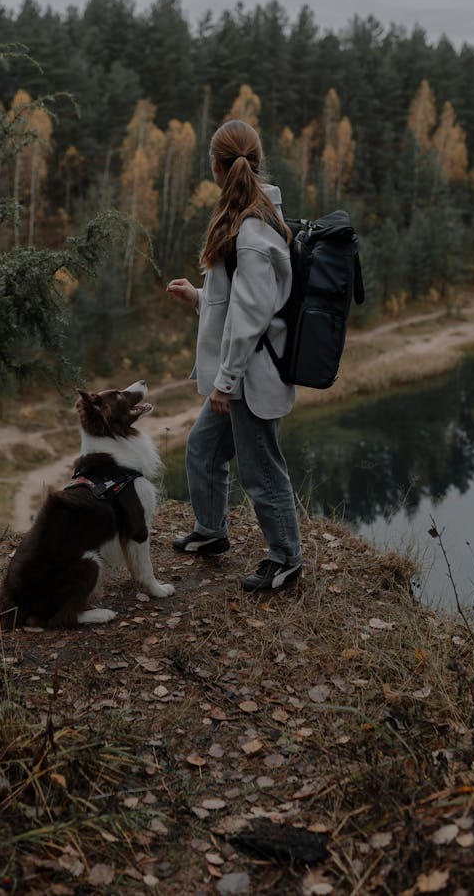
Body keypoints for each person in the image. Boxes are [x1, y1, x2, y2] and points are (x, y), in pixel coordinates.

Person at [166, 119, 302, 592]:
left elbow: (252, 316)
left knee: (262, 469)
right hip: (240, 374)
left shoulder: (251, 230)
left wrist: (225, 382)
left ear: (217, 166)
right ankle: (211, 531)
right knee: (203, 449)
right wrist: (199, 298)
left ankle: (285, 559)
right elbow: (237, 304)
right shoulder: (247, 217)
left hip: (249, 377)